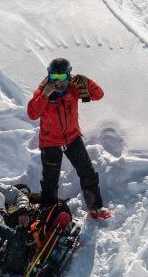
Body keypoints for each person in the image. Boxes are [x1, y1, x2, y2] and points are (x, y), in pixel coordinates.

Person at [26, 58, 111, 220]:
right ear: (49, 76)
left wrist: (87, 81)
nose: (58, 82)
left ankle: (95, 207)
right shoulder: (43, 92)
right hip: (50, 142)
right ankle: (49, 215)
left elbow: (98, 95)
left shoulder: (74, 88)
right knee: (50, 181)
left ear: (68, 75)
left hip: (72, 138)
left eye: (62, 77)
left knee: (88, 173)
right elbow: (32, 113)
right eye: (54, 77)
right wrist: (44, 96)